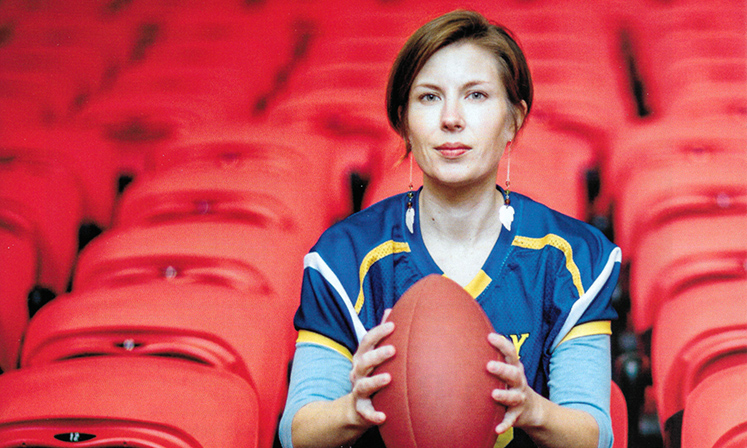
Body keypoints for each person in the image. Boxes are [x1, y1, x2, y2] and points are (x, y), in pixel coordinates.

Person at [279, 9, 621, 448]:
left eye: (476, 96)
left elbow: (598, 435)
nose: (451, 119)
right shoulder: (345, 256)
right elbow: (295, 432)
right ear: (403, 119)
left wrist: (530, 407)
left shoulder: (571, 256)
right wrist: (352, 408)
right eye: (429, 97)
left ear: (514, 118)